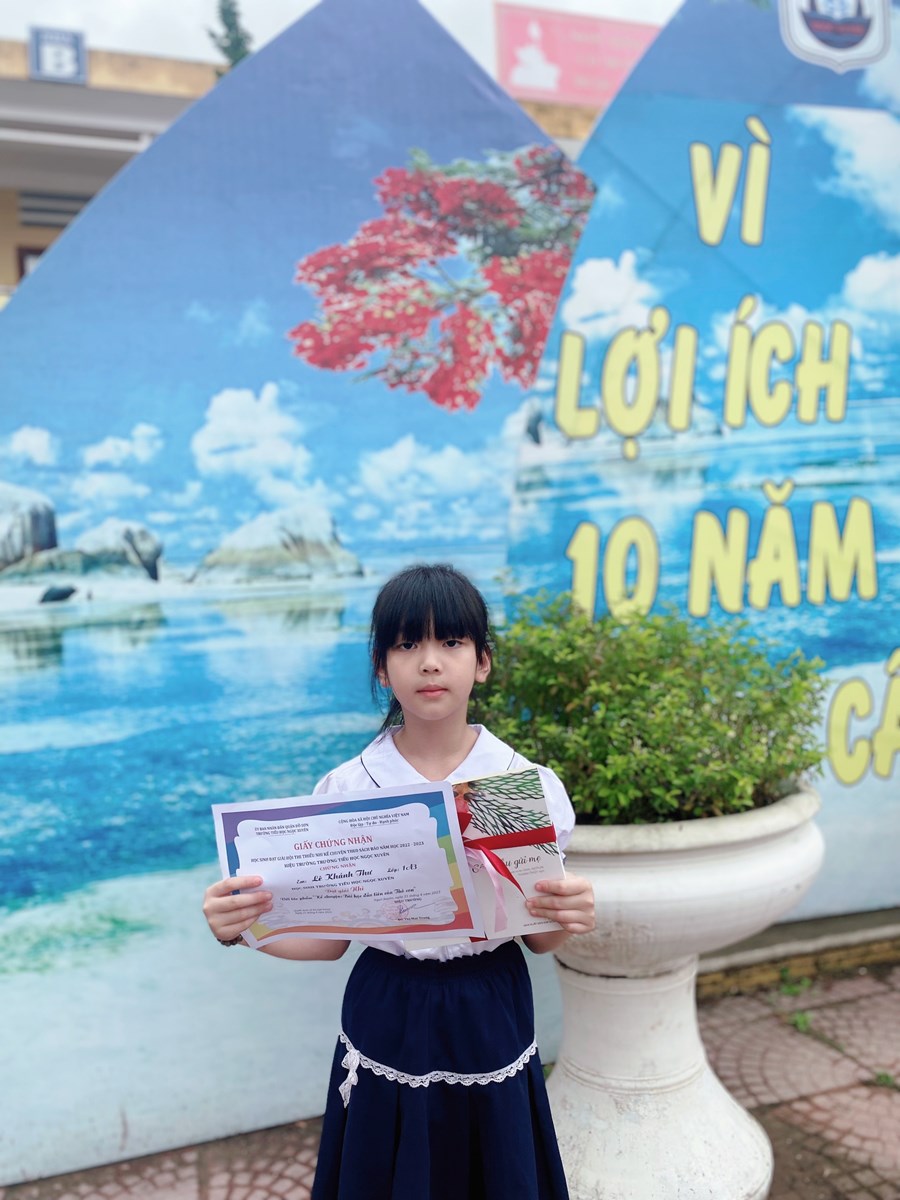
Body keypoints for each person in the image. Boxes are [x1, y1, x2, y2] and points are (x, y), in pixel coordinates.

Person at [203, 563, 596, 1200]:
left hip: (489, 1002)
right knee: (386, 1169)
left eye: (452, 642)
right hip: (387, 1000)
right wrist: (243, 929)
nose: (430, 662)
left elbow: (538, 936)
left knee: (492, 1167)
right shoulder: (348, 789)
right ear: (382, 668)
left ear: (483, 662)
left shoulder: (515, 784)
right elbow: (329, 941)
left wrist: (568, 913)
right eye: (408, 644)